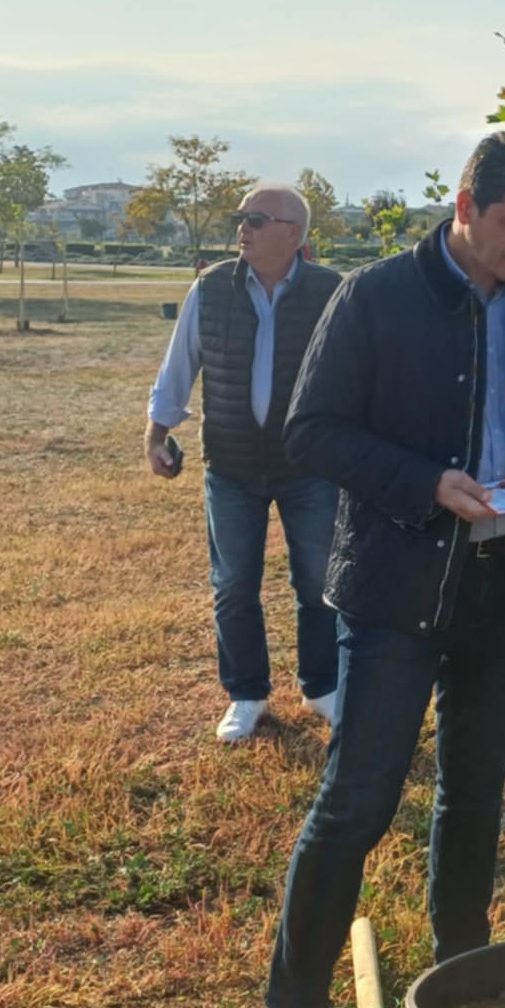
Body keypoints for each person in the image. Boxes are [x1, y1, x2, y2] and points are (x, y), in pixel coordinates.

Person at [257, 131, 505, 1008]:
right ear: (463, 205)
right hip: (394, 589)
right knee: (358, 801)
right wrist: (425, 484)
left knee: (476, 788)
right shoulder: (375, 297)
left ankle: (462, 973)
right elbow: (310, 429)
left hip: (498, 586)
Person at [145, 182, 342, 746]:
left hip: (309, 468)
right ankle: (246, 694)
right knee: (233, 585)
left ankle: (323, 687)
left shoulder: (332, 292)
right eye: (241, 218)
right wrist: (156, 434)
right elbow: (178, 366)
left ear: (293, 234)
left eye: (256, 219)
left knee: (318, 583)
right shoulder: (210, 289)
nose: (243, 228)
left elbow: (361, 374)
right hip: (229, 466)